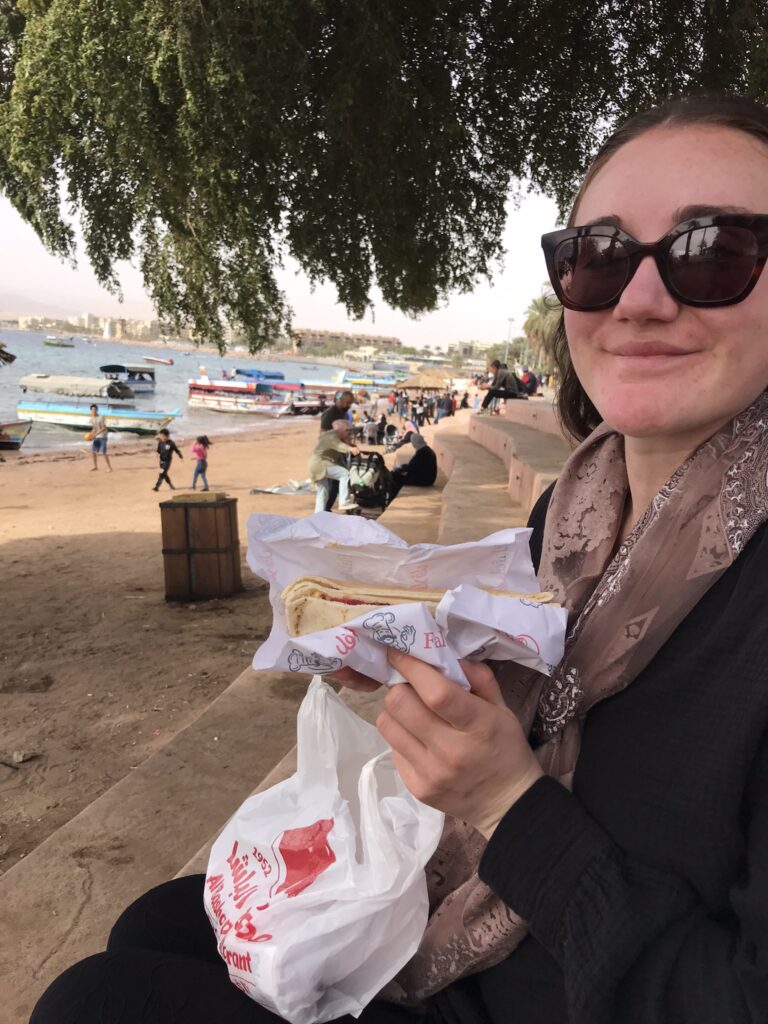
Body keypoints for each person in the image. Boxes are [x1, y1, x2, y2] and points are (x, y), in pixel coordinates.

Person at [29, 93, 768, 1024]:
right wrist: (418, 657)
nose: (639, 300)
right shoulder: (576, 510)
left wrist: (505, 802)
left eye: (713, 253)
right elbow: (537, 696)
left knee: (95, 1003)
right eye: (600, 257)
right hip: (470, 917)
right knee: (159, 923)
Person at [308, 419, 360, 513]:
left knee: (323, 492)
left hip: (314, 465)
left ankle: (318, 515)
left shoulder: (333, 435)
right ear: (340, 430)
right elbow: (338, 445)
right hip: (321, 464)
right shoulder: (331, 437)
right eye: (347, 431)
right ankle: (344, 502)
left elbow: (338, 444)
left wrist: (349, 444)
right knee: (345, 474)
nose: (349, 434)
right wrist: (350, 448)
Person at [388, 434, 438, 500]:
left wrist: (401, 468)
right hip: (428, 478)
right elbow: (415, 465)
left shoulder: (422, 452)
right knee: (398, 474)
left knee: (394, 475)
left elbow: (412, 467)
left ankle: (392, 497)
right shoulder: (427, 450)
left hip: (424, 480)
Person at [87, 403, 112, 472]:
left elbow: (104, 428)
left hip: (103, 436)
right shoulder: (91, 419)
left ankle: (109, 468)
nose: (94, 411)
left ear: (97, 410)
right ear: (91, 410)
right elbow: (94, 428)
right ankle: (95, 467)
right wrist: (90, 434)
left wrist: (96, 434)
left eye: (95, 409)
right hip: (96, 437)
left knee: (103, 452)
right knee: (93, 452)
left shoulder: (101, 417)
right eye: (92, 410)